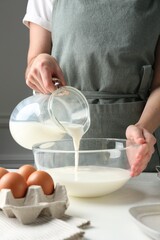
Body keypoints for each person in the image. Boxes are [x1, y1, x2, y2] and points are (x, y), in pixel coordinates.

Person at [23, 0, 160, 177]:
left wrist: (142, 129)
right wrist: (40, 61)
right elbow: (34, 62)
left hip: (135, 155)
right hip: (59, 152)